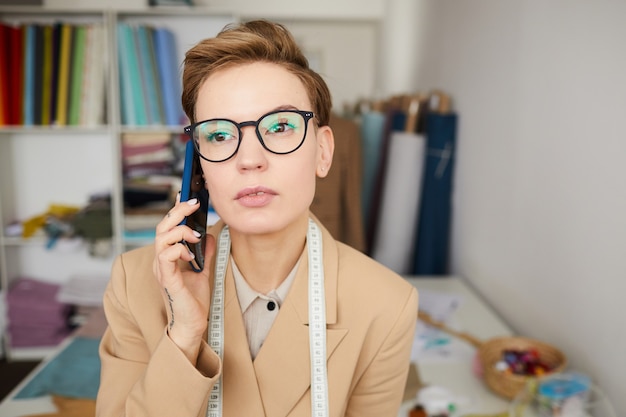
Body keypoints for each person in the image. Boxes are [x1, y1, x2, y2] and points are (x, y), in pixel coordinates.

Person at [96, 20, 418, 417]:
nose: (249, 160)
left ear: (323, 152)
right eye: (218, 135)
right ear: (199, 167)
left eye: (281, 126)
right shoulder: (134, 284)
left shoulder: (387, 305)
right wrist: (184, 335)